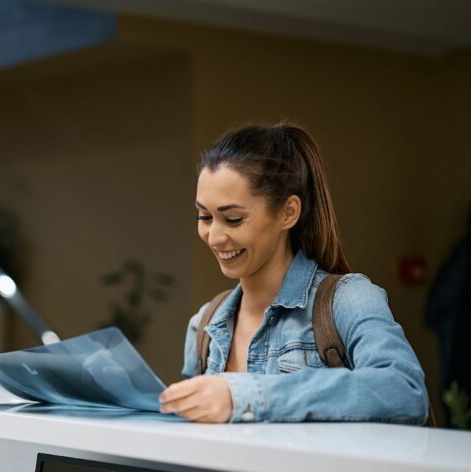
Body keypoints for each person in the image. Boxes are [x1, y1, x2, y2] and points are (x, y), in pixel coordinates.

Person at [159, 123, 429, 424]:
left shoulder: (349, 299)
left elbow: (404, 388)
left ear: (288, 212)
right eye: (205, 217)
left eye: (233, 219)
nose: (214, 237)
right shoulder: (204, 326)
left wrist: (246, 395)